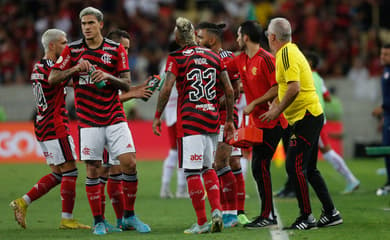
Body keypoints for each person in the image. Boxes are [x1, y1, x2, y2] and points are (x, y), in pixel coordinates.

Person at [48, 7, 150, 235]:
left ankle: (129, 216)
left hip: (114, 115)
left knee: (129, 162)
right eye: (83, 23)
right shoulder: (72, 50)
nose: (86, 27)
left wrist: (107, 76)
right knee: (93, 169)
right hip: (88, 119)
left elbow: (126, 83)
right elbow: (53, 78)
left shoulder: (115, 49)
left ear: (101, 25)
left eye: (91, 23)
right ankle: (99, 221)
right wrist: (74, 68)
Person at [153, 17, 235, 234]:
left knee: (192, 172)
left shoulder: (176, 57)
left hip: (191, 120)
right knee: (209, 168)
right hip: (212, 119)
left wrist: (157, 115)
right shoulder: (213, 56)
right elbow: (229, 90)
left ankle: (201, 222)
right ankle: (217, 211)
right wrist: (229, 120)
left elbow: (166, 88)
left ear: (178, 37)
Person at [261, 17, 343, 229]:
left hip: (305, 116)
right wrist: (276, 104)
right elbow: (285, 87)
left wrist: (277, 110)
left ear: (272, 37)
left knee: (294, 165)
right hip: (309, 115)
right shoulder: (290, 51)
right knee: (310, 168)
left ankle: (306, 216)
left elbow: (294, 87)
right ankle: (331, 212)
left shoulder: (285, 54)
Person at [9, 29, 90, 230]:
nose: (67, 46)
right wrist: (77, 68)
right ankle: (66, 219)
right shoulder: (51, 68)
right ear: (52, 46)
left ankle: (23, 202)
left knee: (57, 173)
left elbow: (63, 82)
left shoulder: (38, 67)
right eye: (63, 43)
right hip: (55, 125)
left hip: (43, 124)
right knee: (70, 171)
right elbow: (56, 79)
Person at [226, 20, 288, 229]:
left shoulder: (266, 59)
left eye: (237, 35)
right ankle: (267, 213)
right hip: (257, 123)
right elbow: (221, 67)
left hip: (273, 120)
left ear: (245, 37)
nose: (235, 39)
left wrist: (254, 102)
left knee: (260, 165)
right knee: (259, 167)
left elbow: (277, 88)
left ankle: (268, 214)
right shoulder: (241, 59)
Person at [276, 52, 360, 197]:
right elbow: (327, 98)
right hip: (318, 117)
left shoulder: (306, 78)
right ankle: (297, 186)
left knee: (325, 153)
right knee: (310, 156)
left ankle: (351, 179)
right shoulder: (319, 79)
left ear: (309, 63)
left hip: (310, 118)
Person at [95, 29, 154, 232]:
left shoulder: (119, 67)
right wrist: (135, 93)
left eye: (128, 49)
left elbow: (119, 92)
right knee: (104, 171)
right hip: (99, 123)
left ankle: (124, 218)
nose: (126, 53)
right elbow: (99, 98)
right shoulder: (98, 65)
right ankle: (101, 221)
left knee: (122, 166)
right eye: (123, 48)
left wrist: (137, 89)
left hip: (117, 121)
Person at [196, 21, 249, 227]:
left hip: (227, 117)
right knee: (220, 164)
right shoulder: (202, 58)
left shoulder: (226, 57)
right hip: (210, 118)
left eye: (200, 37)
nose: (197, 41)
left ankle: (233, 213)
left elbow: (235, 90)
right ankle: (230, 212)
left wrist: (217, 102)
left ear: (211, 39)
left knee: (225, 163)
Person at [159, 41, 188, 199]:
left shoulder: (165, 64)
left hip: (171, 112)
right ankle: (180, 189)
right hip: (179, 111)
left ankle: (166, 188)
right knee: (179, 151)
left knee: (175, 150)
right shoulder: (176, 63)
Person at [372, 43, 390, 196]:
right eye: (382, 54)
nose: (382, 57)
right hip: (388, 116)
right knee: (386, 148)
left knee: (388, 147)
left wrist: (383, 108)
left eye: (386, 54)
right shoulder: (386, 70)